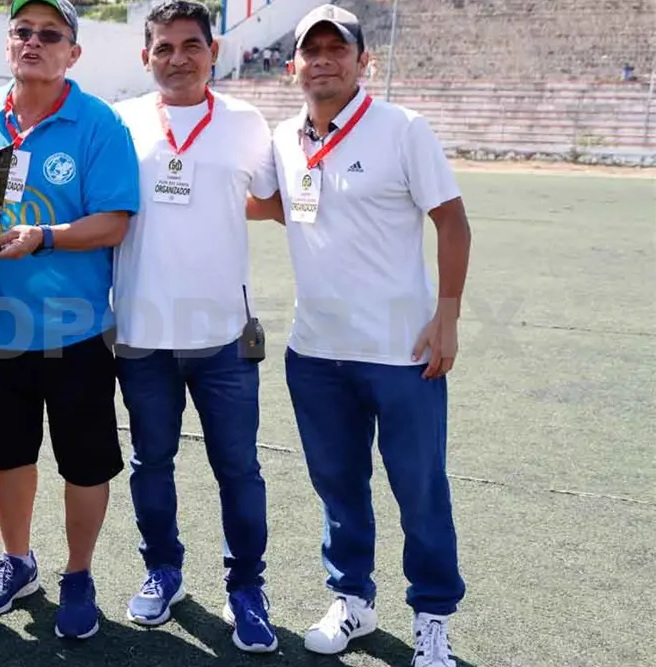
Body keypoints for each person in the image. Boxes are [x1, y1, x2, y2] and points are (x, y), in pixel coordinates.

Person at [267, 5, 472, 667]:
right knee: (337, 485)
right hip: (315, 351)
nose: (323, 59)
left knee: (418, 488)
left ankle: (432, 615)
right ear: (292, 64)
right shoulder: (282, 137)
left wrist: (446, 315)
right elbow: (276, 205)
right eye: (311, 51)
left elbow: (452, 222)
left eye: (337, 49)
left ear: (363, 61)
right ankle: (351, 598)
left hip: (401, 351)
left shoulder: (402, 129)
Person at [0, 0, 140, 640]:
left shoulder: (99, 122)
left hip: (77, 332)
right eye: (23, 32)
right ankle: (17, 561)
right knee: (8, 457)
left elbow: (114, 221)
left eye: (50, 35)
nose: (34, 43)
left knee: (84, 465)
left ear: (73, 53)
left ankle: (79, 574)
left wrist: (45, 237)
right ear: (8, 44)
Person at [110, 0, 278, 654]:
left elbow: (266, 200)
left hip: (223, 339)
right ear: (145, 56)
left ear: (214, 51)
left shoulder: (245, 121)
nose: (176, 58)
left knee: (237, 467)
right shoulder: (120, 121)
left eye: (190, 45)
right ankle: (163, 570)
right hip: (141, 334)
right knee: (152, 460)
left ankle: (247, 588)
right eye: (163, 47)